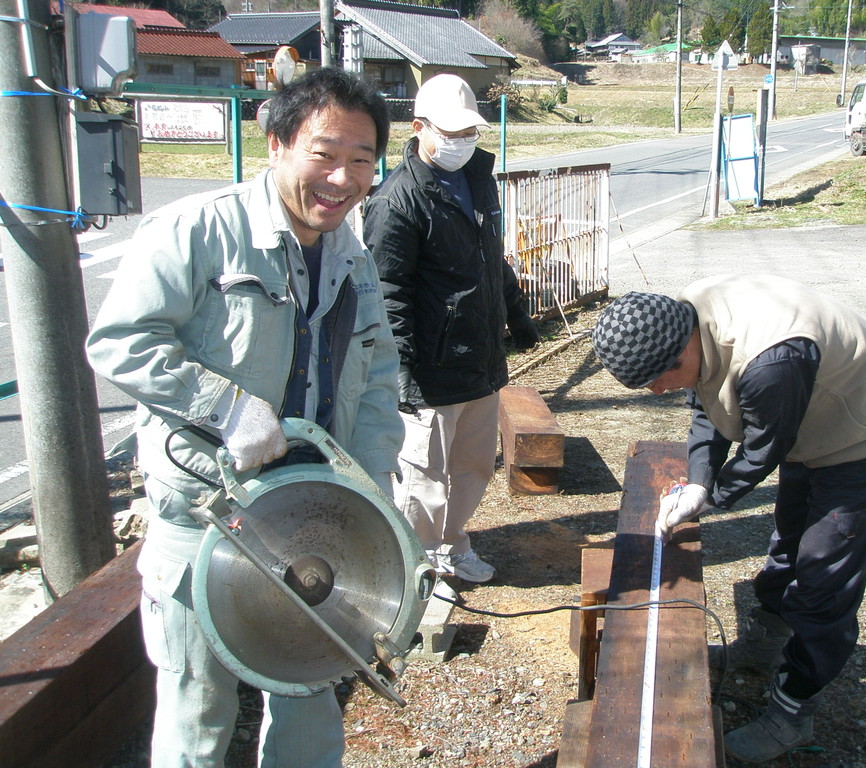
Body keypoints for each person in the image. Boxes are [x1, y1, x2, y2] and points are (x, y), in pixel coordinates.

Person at [86, 69, 403, 768]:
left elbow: (379, 377)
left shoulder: (353, 258)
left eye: (361, 161)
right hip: (206, 515)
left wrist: (371, 482)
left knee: (313, 696)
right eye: (324, 154)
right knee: (198, 712)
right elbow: (120, 342)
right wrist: (226, 407)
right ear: (276, 143)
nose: (342, 178)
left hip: (316, 518)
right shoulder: (197, 230)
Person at [591, 275, 866, 763]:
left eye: (657, 381)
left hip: (862, 431)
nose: (658, 392)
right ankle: (767, 643)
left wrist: (711, 497)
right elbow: (707, 409)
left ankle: (791, 712)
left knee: (822, 574)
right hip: (806, 419)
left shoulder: (769, 363)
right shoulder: (685, 321)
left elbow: (765, 448)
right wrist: (699, 478)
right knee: (789, 540)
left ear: (681, 353)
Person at [361, 74, 539, 584]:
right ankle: (414, 571)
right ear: (419, 128)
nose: (463, 142)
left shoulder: (478, 180)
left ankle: (452, 544)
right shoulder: (396, 201)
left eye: (471, 132)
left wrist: (516, 311)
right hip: (429, 371)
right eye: (452, 132)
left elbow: (491, 258)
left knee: (474, 466)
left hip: (479, 362)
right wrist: (403, 374)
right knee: (421, 479)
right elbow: (388, 292)